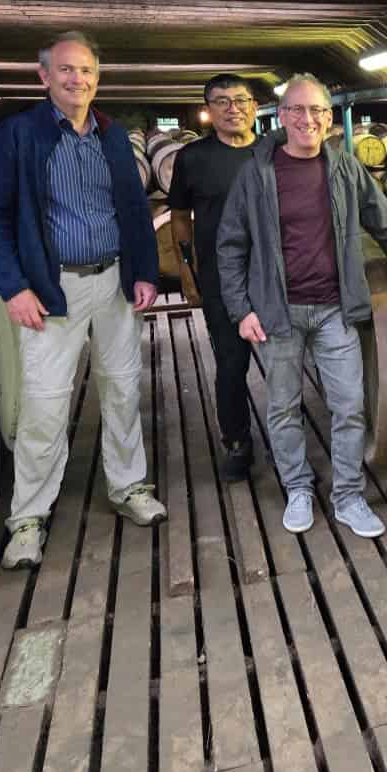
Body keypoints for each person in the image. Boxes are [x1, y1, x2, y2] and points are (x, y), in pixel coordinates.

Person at [216, 74, 387, 537]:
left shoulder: (345, 167)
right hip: (277, 311)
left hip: (334, 310)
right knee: (283, 408)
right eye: (298, 110)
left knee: (349, 407)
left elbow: (385, 225)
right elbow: (230, 246)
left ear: (329, 117)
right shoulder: (257, 172)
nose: (308, 119)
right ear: (282, 117)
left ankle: (347, 495)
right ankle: (298, 488)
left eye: (317, 111)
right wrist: (241, 309)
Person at [0, 30, 166, 570]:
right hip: (51, 289)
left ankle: (129, 487)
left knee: (124, 391)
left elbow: (133, 208)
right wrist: (14, 286)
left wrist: (145, 272)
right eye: (65, 70)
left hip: (112, 283)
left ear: (97, 78)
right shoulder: (18, 135)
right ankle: (28, 518)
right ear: (44, 77)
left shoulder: (111, 135)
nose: (76, 79)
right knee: (44, 406)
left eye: (85, 70)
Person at [168, 74, 259, 481]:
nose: (232, 108)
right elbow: (180, 218)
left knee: (285, 363)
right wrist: (187, 270)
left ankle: (288, 439)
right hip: (220, 277)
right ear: (209, 111)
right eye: (221, 101)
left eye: (240, 100)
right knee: (230, 362)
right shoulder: (192, 158)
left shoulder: (276, 153)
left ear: (254, 106)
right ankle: (237, 442)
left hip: (275, 278)